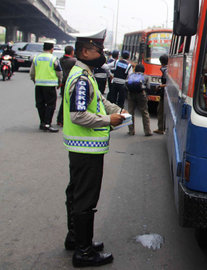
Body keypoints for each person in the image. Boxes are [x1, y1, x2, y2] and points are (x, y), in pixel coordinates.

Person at [62, 29, 125, 267]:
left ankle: (76, 239)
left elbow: (99, 101)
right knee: (85, 200)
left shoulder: (85, 74)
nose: (102, 55)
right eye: (99, 50)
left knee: (76, 194)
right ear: (85, 51)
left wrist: (117, 111)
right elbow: (78, 115)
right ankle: (84, 252)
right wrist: (109, 121)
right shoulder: (80, 78)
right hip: (86, 150)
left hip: (83, 149)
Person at [30, 41, 62, 132]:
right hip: (50, 85)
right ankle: (47, 123)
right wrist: (60, 82)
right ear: (52, 49)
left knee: (40, 104)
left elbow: (32, 72)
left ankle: (42, 122)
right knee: (50, 105)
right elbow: (59, 72)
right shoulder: (53, 58)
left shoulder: (36, 58)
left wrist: (35, 80)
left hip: (39, 85)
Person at [126, 64, 152, 136]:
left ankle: (131, 131)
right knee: (144, 112)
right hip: (141, 95)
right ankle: (147, 131)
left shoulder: (130, 75)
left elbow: (126, 84)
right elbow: (148, 87)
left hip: (131, 94)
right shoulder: (146, 76)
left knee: (130, 112)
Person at [57, 45, 77, 126]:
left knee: (63, 101)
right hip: (70, 82)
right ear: (72, 52)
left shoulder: (61, 60)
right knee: (67, 102)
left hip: (63, 82)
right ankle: (62, 119)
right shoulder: (73, 61)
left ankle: (60, 119)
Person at [154, 54, 168, 135]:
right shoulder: (169, 69)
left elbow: (169, 83)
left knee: (160, 111)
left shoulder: (165, 70)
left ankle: (161, 128)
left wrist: (160, 86)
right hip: (167, 94)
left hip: (165, 93)